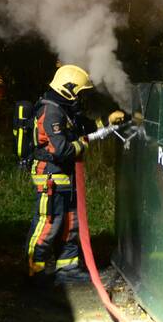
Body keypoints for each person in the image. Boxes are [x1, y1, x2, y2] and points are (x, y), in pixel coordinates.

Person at [25, 64, 125, 287]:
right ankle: (36, 270)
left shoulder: (63, 108)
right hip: (50, 175)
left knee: (71, 222)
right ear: (68, 89)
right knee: (49, 222)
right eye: (79, 92)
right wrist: (84, 143)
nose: (80, 97)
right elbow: (62, 149)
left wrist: (107, 120)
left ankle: (67, 268)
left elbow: (82, 128)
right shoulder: (50, 111)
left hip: (64, 175)